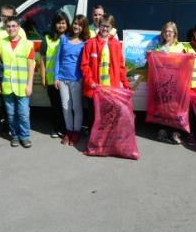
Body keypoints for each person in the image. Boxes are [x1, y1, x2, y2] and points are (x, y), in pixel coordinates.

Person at [81, 13, 130, 131]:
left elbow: (120, 67)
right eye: (103, 25)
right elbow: (84, 66)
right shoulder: (90, 43)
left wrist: (126, 84)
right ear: (98, 25)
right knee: (94, 118)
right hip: (94, 88)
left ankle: (105, 143)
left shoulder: (116, 44)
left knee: (108, 118)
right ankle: (94, 144)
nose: (105, 29)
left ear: (111, 28)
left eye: (108, 26)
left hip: (110, 89)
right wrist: (90, 82)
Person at [0, 17, 35, 148]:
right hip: (7, 85)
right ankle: (14, 136)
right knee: (10, 114)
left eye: (14, 26)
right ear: (5, 28)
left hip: (22, 86)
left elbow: (31, 66)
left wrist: (30, 85)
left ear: (19, 27)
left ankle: (25, 136)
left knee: (23, 113)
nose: (11, 29)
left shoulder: (28, 44)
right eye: (8, 26)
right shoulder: (0, 43)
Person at [54, 14, 91, 146]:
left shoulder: (85, 43)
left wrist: (83, 78)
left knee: (76, 107)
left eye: (80, 25)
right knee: (65, 107)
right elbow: (58, 59)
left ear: (84, 27)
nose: (76, 26)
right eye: (75, 23)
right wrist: (56, 76)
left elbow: (87, 62)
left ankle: (76, 132)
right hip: (62, 79)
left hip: (76, 80)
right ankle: (68, 131)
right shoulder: (64, 39)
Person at [153, 21, 186, 145]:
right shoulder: (158, 46)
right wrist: (149, 56)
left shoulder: (179, 46)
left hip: (175, 82)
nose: (168, 33)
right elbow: (154, 62)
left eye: (170, 31)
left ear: (174, 33)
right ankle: (163, 130)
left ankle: (174, 132)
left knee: (174, 108)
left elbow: (184, 63)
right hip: (162, 82)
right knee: (163, 106)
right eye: (166, 31)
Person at [39, 11, 67, 138]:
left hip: (66, 79)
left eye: (63, 23)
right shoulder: (47, 39)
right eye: (58, 23)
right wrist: (43, 77)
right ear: (54, 24)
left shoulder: (70, 37)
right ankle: (56, 128)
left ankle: (65, 128)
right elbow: (42, 59)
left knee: (66, 106)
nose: (61, 25)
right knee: (56, 106)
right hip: (51, 79)